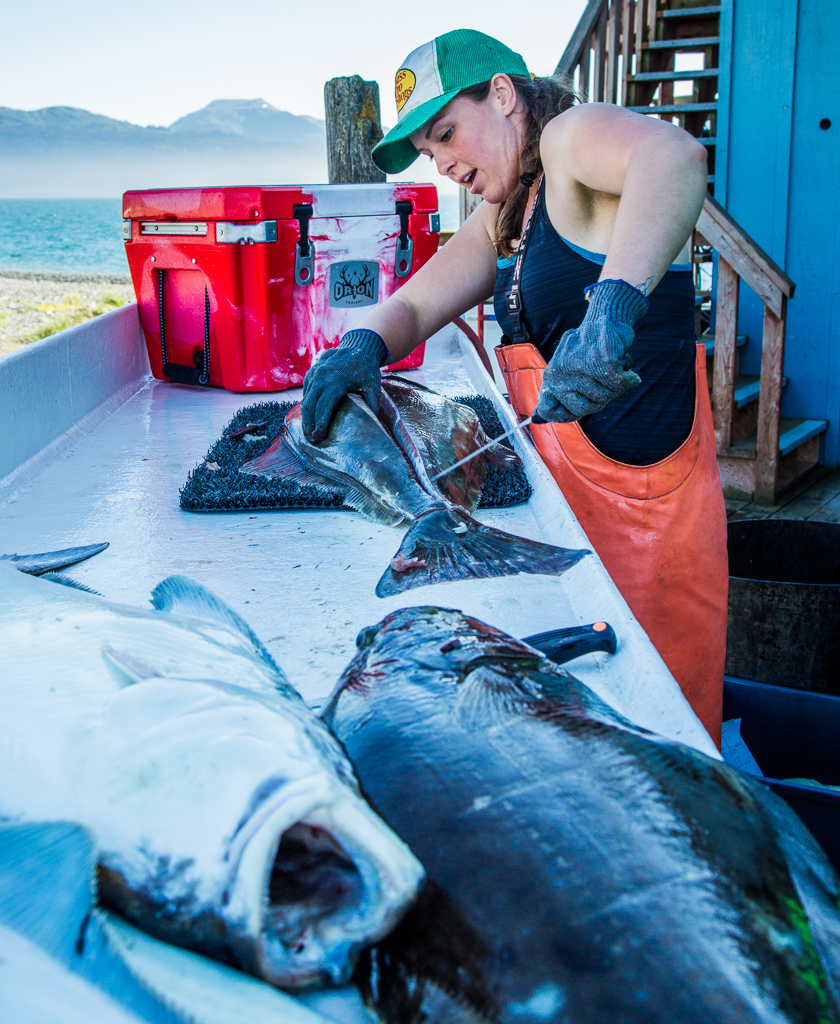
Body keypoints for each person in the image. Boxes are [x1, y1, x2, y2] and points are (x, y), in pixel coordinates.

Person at [301, 28, 728, 746]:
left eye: (445, 135)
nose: (442, 165)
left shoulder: (570, 136)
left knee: (664, 743)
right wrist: (358, 347)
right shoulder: (506, 217)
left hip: (651, 529)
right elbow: (410, 305)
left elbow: (675, 156)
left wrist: (614, 304)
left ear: (503, 95)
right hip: (565, 523)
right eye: (430, 155)